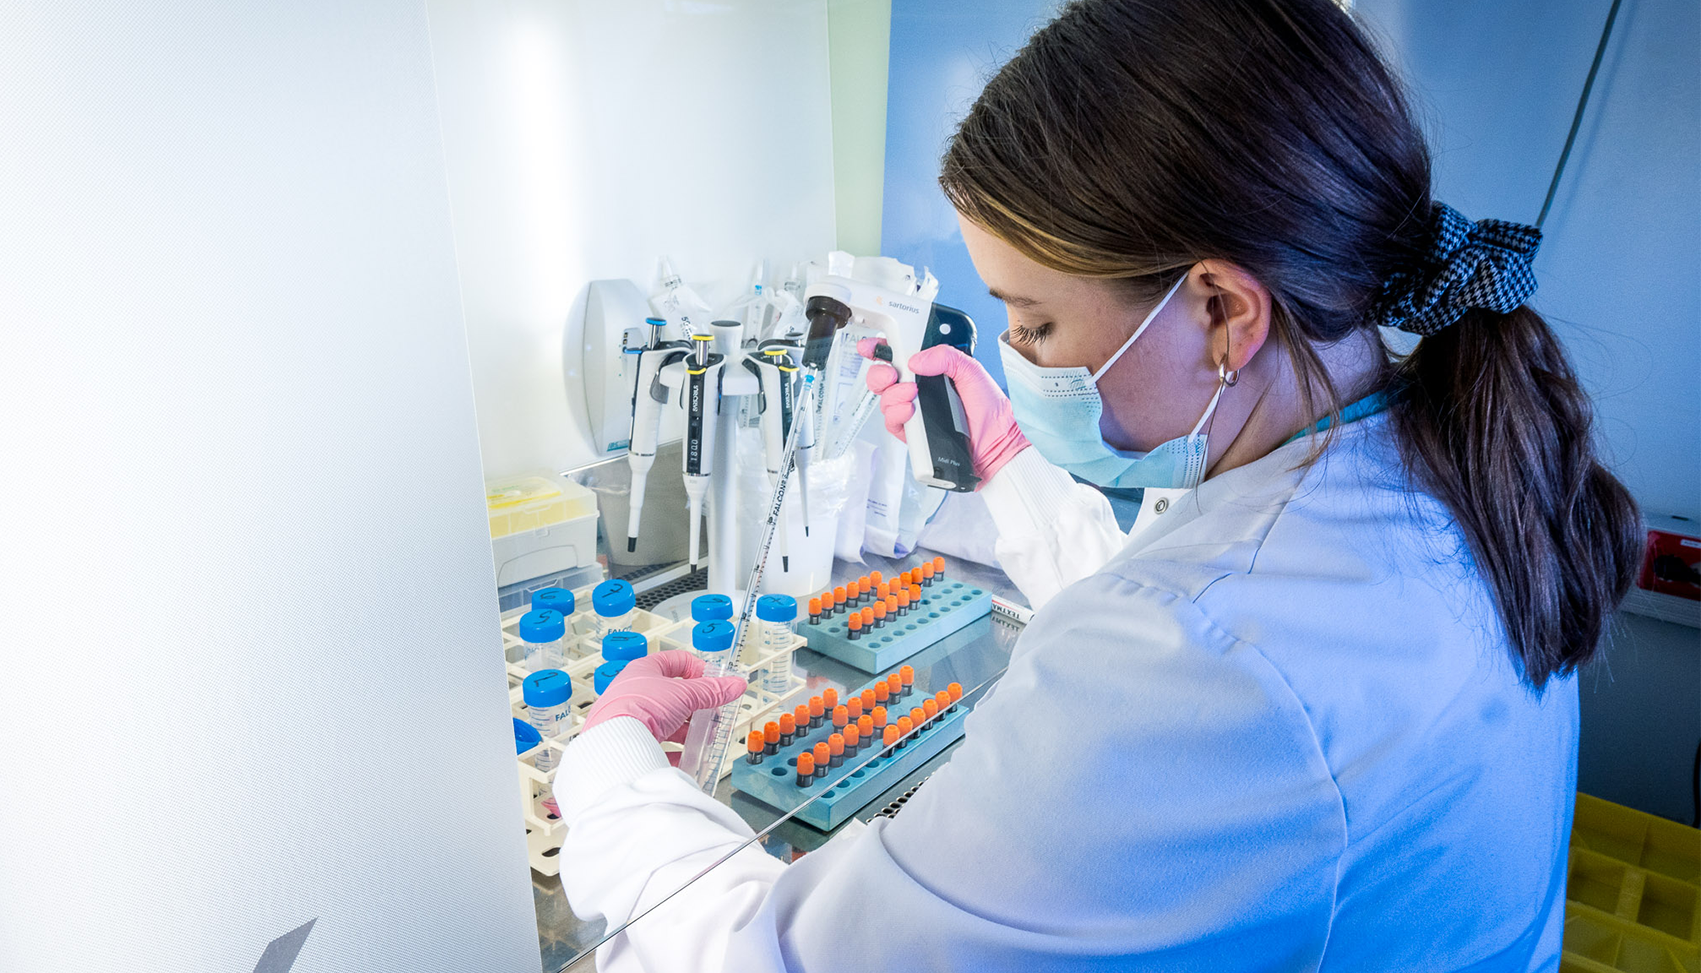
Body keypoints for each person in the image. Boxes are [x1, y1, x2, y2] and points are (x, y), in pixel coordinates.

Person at [552, 0, 1644, 969]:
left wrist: (606, 766)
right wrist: (1010, 464)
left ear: (1220, 310)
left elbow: (792, 958)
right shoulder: (1438, 446)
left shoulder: (1206, 656)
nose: (1019, 356)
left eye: (1035, 322)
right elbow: (1190, 596)